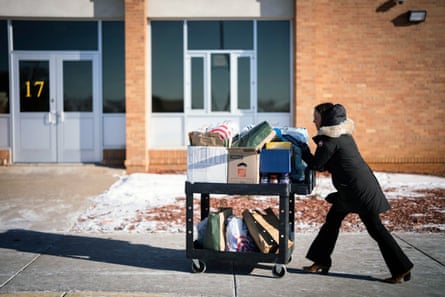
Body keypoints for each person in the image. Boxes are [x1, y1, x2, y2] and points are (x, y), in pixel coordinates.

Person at [297, 102, 413, 284]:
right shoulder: (341, 136)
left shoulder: (330, 140)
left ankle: (402, 268)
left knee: (376, 229)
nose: (314, 120)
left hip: (359, 192)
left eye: (316, 117)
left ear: (326, 120)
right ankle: (320, 260)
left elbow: (317, 165)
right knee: (332, 222)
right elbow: (328, 163)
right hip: (352, 190)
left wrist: (303, 150)